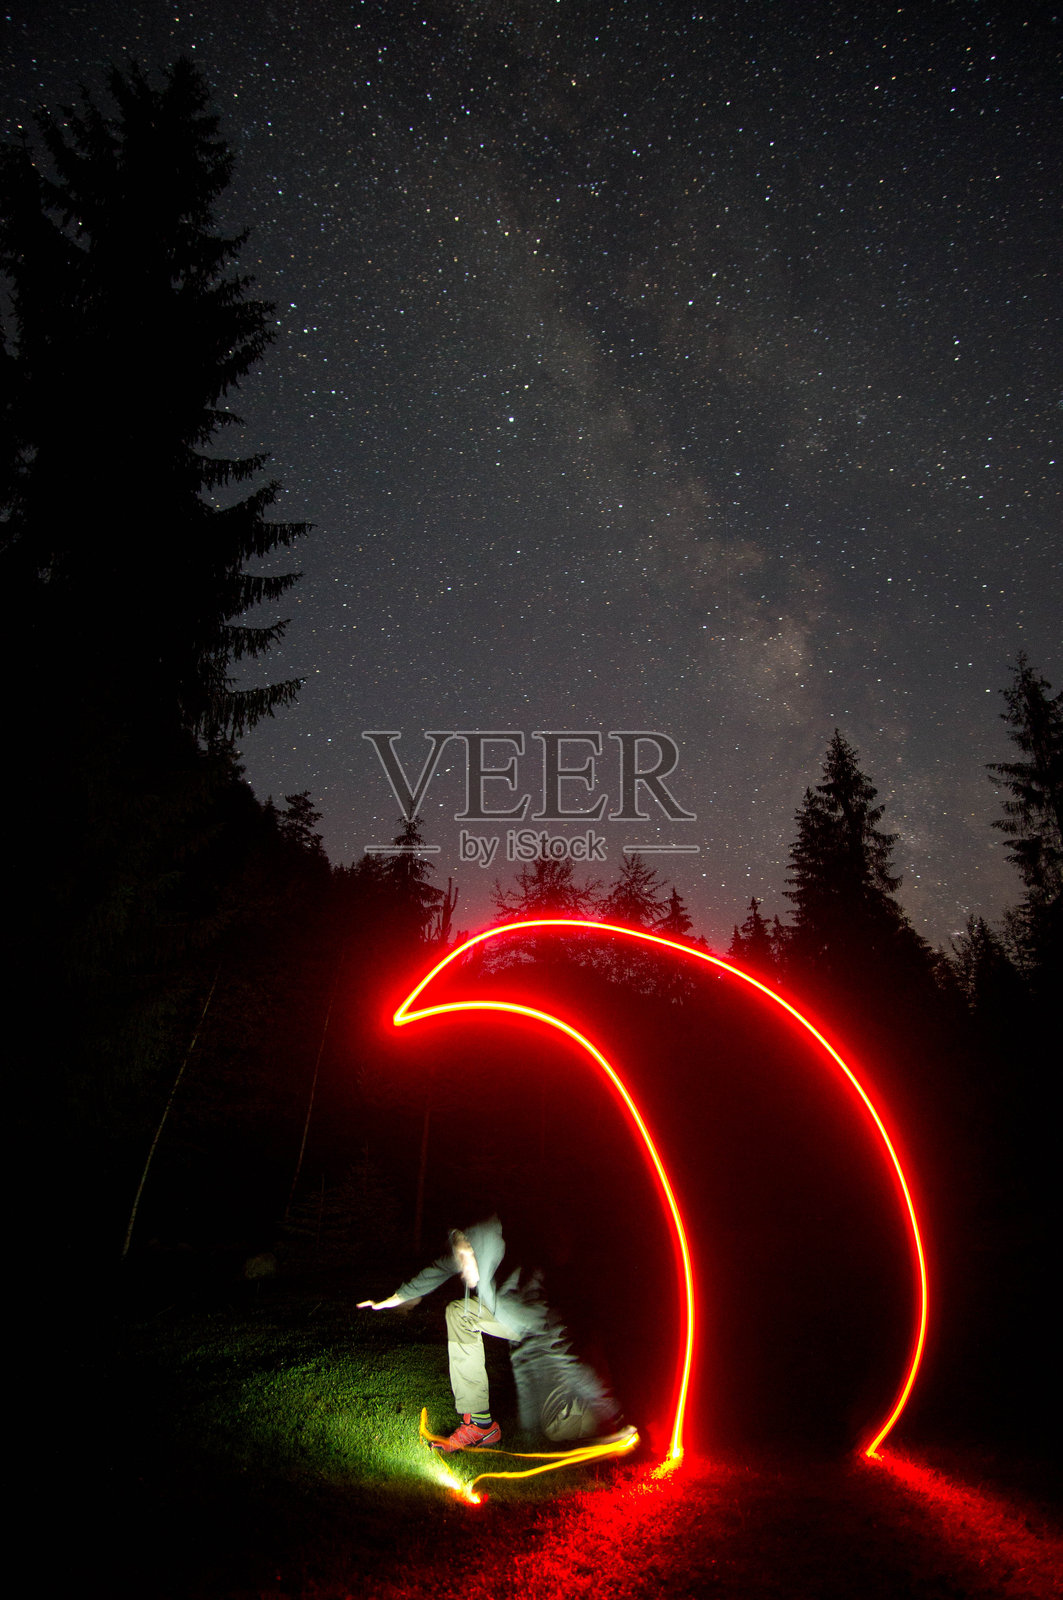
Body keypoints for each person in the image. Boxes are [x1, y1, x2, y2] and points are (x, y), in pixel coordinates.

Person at [359, 1214, 627, 1453]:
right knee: (459, 1312)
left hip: (542, 1325)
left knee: (558, 1427)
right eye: (461, 1267)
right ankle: (480, 1425)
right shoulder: (465, 1245)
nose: (466, 1277)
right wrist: (394, 1298)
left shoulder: (506, 1244)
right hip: (510, 1318)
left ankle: (615, 1412)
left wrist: (610, 1417)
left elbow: (567, 1356)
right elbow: (437, 1270)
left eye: (467, 1265)